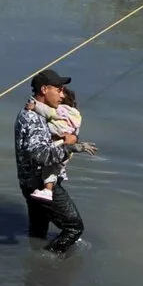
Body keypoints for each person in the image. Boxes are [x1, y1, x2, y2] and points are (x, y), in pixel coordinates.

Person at [14, 69, 98, 254]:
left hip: (31, 184)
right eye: (58, 90)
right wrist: (69, 148)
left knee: (38, 233)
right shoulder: (32, 117)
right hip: (40, 182)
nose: (62, 94)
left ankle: (34, 265)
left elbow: (58, 134)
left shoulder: (39, 112)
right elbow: (40, 154)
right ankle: (49, 262)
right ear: (44, 89)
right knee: (74, 228)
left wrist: (72, 141)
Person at [24, 86, 83, 202]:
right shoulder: (76, 115)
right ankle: (51, 187)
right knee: (56, 168)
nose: (59, 96)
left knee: (49, 168)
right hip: (67, 150)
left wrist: (35, 106)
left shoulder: (61, 110)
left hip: (57, 146)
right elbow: (74, 133)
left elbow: (49, 112)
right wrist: (74, 138)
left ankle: (48, 191)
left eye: (61, 93)